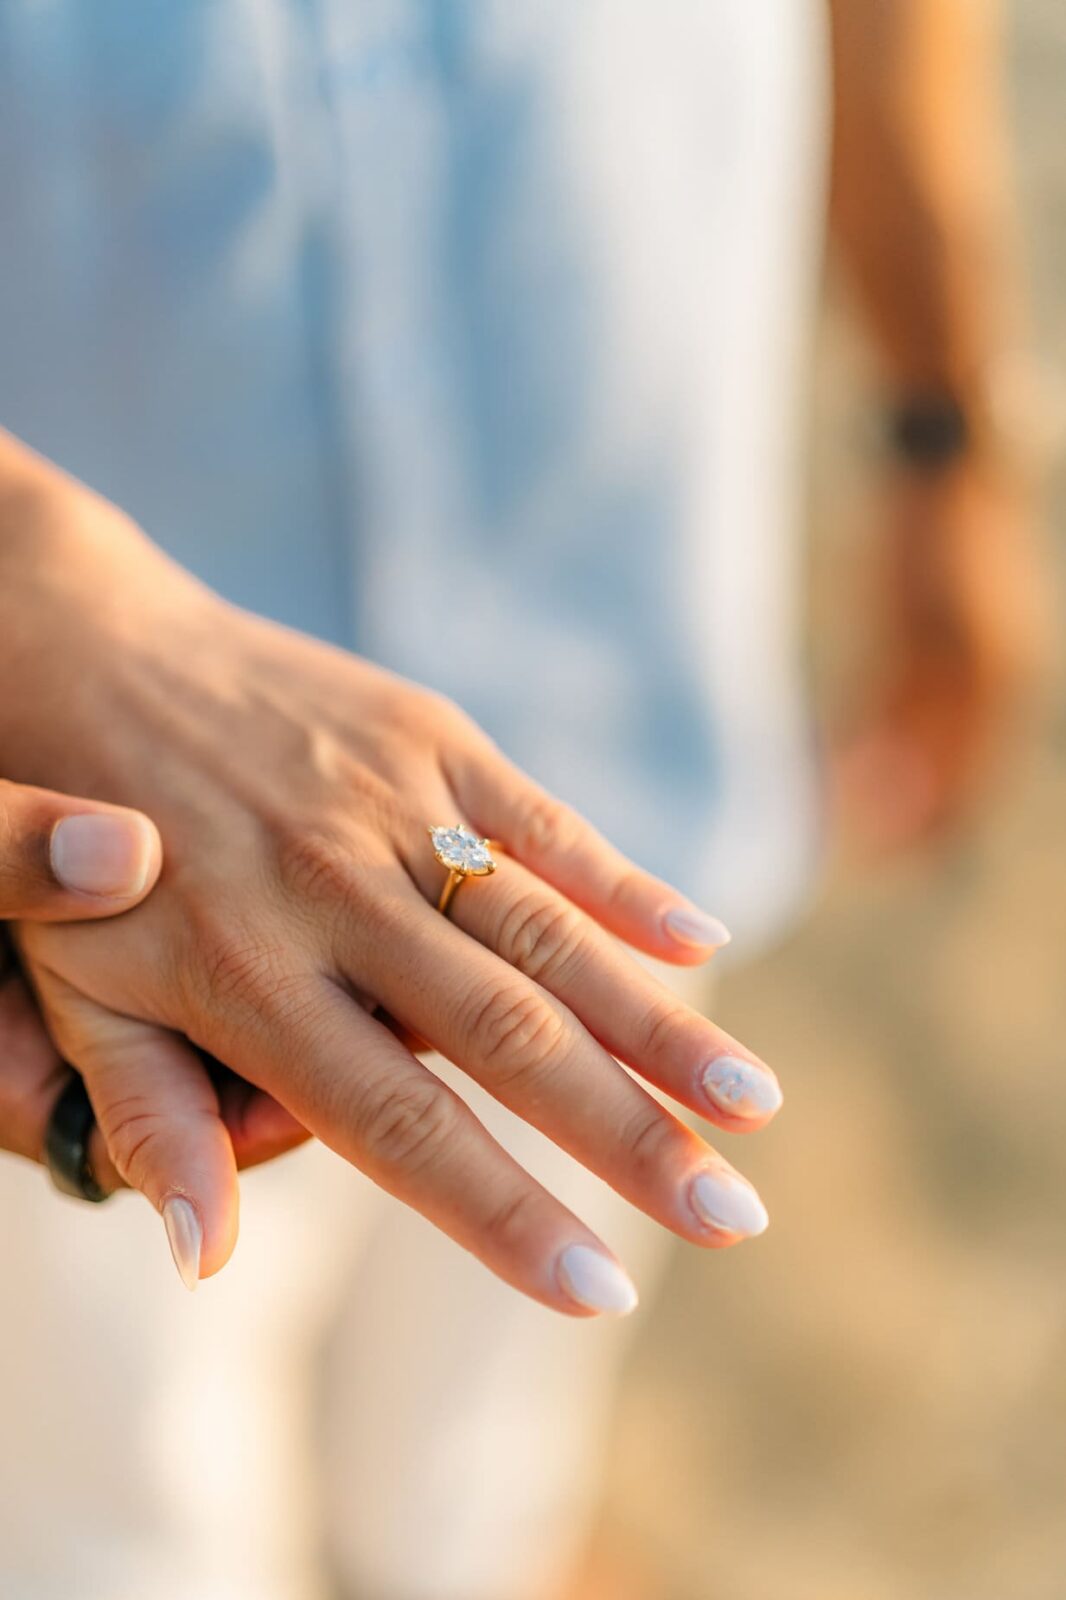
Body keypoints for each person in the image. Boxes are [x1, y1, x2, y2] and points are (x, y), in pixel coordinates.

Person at [0, 2, 1040, 1597]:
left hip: (610, 741)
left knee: (469, 1486)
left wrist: (940, 420)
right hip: (92, 902)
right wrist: (34, 588)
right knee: (119, 1534)